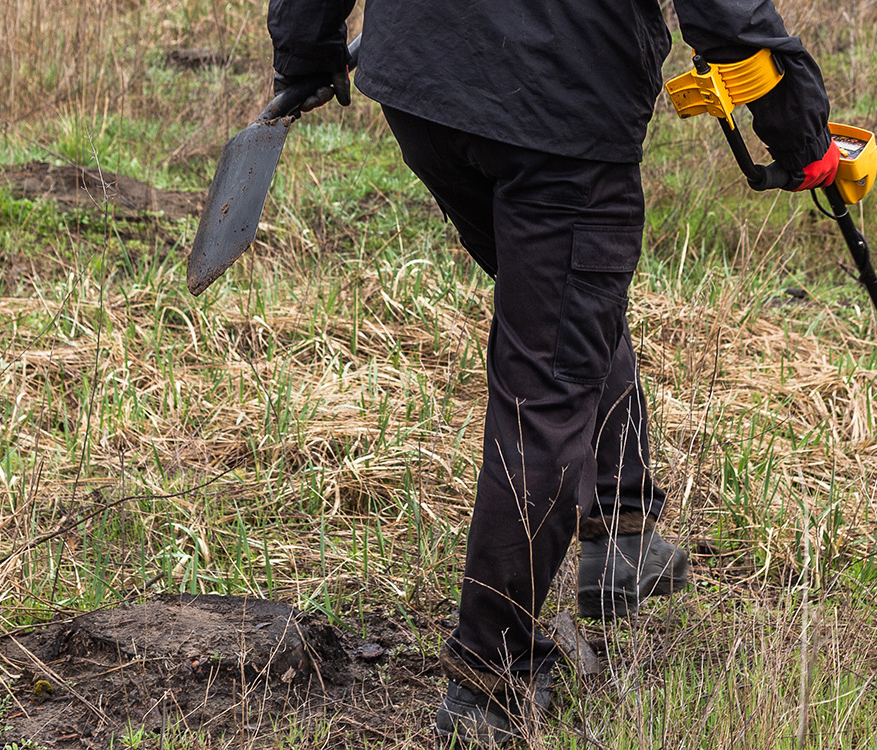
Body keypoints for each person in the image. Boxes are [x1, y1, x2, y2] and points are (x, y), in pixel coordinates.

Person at [264, 0, 838, 744]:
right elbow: (727, 11)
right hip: (558, 103)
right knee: (548, 379)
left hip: (426, 89)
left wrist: (306, 49)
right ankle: (487, 681)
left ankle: (621, 524)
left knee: (564, 304)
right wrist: (799, 130)